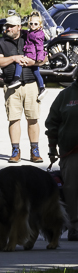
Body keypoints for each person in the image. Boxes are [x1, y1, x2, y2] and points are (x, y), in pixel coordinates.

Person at [0, 14, 45, 164]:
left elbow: (44, 57)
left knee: (33, 118)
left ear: (19, 27)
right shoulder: (2, 42)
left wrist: (34, 61)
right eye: (7, 26)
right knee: (14, 119)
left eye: (11, 26)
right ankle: (15, 150)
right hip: (11, 86)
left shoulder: (30, 36)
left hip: (30, 84)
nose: (8, 28)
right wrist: (14, 58)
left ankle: (35, 150)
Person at [45, 69, 78, 241]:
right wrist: (52, 148)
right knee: (72, 189)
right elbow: (52, 123)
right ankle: (75, 226)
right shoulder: (65, 96)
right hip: (71, 153)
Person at [9, 10, 47, 101]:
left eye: (36, 24)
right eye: (31, 23)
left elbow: (40, 47)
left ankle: (17, 78)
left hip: (32, 55)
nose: (33, 25)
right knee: (36, 72)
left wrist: (39, 58)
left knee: (20, 62)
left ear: (40, 25)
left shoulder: (38, 35)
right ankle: (42, 88)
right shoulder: (31, 32)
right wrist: (21, 30)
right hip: (31, 53)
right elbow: (28, 33)